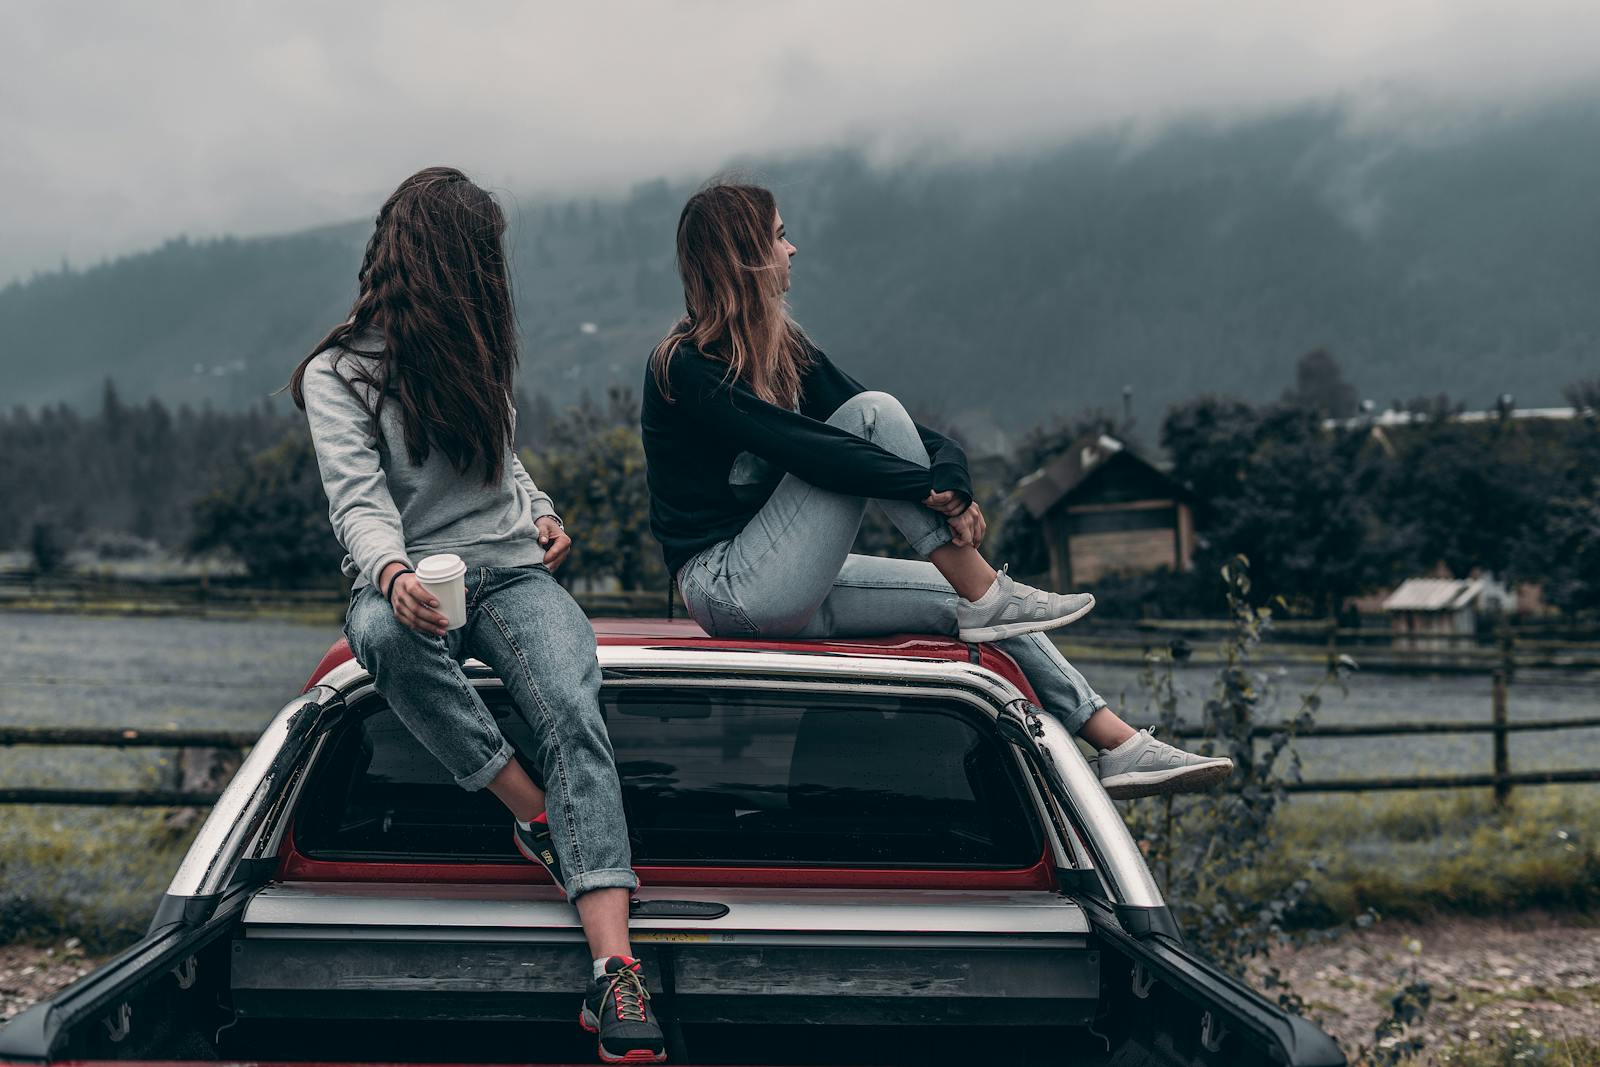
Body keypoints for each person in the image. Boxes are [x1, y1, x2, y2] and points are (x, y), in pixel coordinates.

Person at [641, 181, 1232, 799]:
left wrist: (951, 475)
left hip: (789, 581)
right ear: (747, 255)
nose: (794, 249)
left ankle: (1119, 744)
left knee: (970, 612)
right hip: (728, 587)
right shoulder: (684, 366)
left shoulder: (781, 347)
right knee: (872, 416)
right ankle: (987, 590)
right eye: (780, 235)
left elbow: (901, 431)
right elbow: (812, 449)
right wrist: (927, 490)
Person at [285, 167, 665, 1065]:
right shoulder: (341, 373)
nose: (496, 272)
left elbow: (506, 465)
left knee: (573, 703)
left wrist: (543, 511)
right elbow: (358, 500)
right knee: (375, 635)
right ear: (447, 261)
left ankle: (614, 969)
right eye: (483, 254)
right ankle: (530, 809)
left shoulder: (474, 352)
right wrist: (389, 572)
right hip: (414, 581)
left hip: (513, 572)